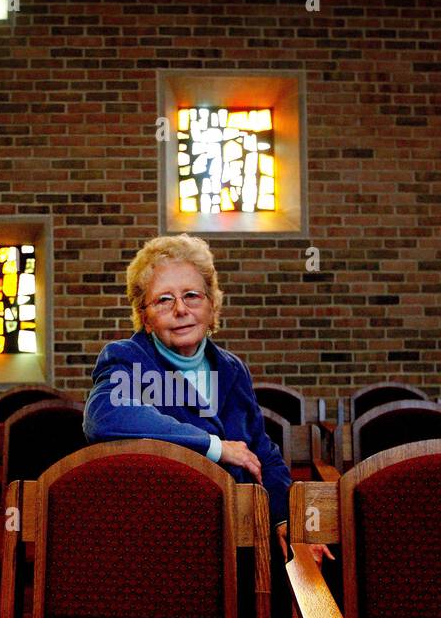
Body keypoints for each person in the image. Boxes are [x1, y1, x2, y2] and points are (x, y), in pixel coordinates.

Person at [83, 233, 333, 570]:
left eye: (191, 296)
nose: (181, 310)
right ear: (144, 315)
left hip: (240, 537)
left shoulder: (232, 368)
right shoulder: (128, 359)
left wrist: (284, 519)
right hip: (164, 541)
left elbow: (262, 453)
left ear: (211, 304)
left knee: (314, 567)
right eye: (163, 300)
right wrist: (214, 446)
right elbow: (105, 417)